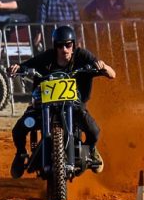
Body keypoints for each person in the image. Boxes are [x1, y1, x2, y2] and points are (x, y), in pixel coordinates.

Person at [7, 25, 115, 179]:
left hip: (74, 106)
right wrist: (16, 68)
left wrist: (103, 67)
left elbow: (112, 74)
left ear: (73, 45)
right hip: (44, 106)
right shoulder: (47, 57)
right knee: (19, 129)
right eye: (59, 45)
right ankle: (20, 154)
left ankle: (91, 150)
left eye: (68, 45)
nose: (64, 49)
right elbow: (26, 65)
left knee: (93, 131)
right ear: (55, 46)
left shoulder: (82, 57)